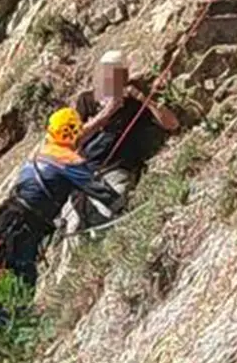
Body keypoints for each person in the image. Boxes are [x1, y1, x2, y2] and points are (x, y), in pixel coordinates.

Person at [0, 107, 121, 317]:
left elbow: (76, 138)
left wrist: (106, 115)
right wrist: (126, 205)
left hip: (6, 218)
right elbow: (103, 193)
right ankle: (12, 326)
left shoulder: (45, 151)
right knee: (24, 278)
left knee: (0, 271)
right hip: (24, 227)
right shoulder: (70, 161)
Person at [69, 50, 180, 229]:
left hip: (117, 170)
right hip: (86, 172)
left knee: (107, 212)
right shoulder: (87, 100)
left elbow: (172, 124)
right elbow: (74, 140)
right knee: (72, 221)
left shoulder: (134, 100)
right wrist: (106, 113)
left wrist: (144, 99)